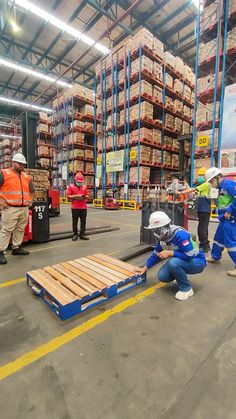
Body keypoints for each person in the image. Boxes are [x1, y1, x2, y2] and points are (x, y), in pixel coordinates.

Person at [134, 211, 206, 301]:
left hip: (197, 262)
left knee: (173, 262)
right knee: (163, 276)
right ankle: (180, 278)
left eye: (157, 229)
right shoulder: (163, 239)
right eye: (154, 230)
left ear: (164, 227)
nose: (155, 232)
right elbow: (155, 254)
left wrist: (170, 253)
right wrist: (145, 268)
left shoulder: (180, 235)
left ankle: (186, 289)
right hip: (182, 261)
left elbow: (190, 255)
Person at [0, 153, 34, 265]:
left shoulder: (26, 176)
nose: (21, 166)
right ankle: (1, 252)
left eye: (23, 164)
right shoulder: (4, 173)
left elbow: (32, 190)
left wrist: (31, 201)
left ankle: (16, 248)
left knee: (20, 229)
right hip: (10, 208)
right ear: (13, 162)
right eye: (19, 164)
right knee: (6, 230)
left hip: (23, 208)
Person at [204, 167, 236, 277]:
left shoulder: (228, 184)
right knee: (218, 238)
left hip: (231, 218)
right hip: (224, 218)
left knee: (230, 242)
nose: (211, 184)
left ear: (218, 178)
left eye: (211, 181)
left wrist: (230, 211)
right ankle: (215, 256)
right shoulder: (220, 187)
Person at [180, 167, 211, 253]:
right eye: (199, 175)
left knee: (201, 228)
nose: (199, 177)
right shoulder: (204, 186)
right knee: (205, 227)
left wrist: (181, 192)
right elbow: (193, 193)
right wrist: (186, 185)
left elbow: (193, 190)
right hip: (205, 209)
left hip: (203, 209)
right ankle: (206, 244)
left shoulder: (206, 184)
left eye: (202, 175)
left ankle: (203, 245)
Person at [67, 173, 89, 241]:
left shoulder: (84, 187)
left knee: (83, 221)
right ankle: (75, 234)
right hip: (75, 207)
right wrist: (77, 196)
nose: (80, 183)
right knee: (75, 221)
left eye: (81, 182)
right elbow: (68, 196)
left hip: (83, 207)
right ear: (75, 180)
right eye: (79, 182)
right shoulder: (71, 187)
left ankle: (82, 234)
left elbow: (87, 195)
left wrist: (84, 197)